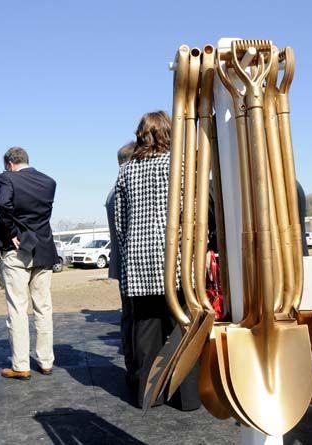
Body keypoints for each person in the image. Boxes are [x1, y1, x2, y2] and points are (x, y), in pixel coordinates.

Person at [115, 111, 200, 410]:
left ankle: (148, 396)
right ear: (168, 132)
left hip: (139, 261)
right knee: (181, 328)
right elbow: (191, 213)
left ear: (141, 134)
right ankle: (187, 397)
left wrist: (129, 256)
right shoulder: (180, 167)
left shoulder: (126, 171)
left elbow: (120, 222)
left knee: (146, 332)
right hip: (174, 258)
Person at [0, 146, 58, 380]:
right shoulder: (49, 182)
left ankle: (21, 365)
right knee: (43, 308)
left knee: (18, 309)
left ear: (10, 164)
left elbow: (3, 205)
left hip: (18, 249)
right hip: (43, 248)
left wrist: (12, 230)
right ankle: (46, 361)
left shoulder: (7, 177)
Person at [105, 141, 136, 387]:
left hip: (123, 264)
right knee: (132, 319)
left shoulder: (114, 191)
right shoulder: (121, 190)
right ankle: (133, 368)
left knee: (130, 317)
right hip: (129, 265)